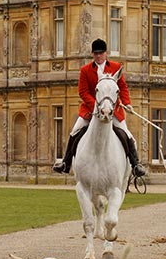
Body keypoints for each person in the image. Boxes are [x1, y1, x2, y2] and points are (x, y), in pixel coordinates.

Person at [52, 39, 147, 178]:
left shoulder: (116, 67)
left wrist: (127, 103)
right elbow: (83, 92)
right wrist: (97, 107)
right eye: (96, 53)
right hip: (90, 109)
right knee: (74, 132)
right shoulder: (85, 70)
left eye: (101, 53)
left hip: (113, 110)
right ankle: (65, 163)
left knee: (127, 135)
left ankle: (135, 165)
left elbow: (123, 87)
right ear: (92, 54)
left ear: (106, 53)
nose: (98, 56)